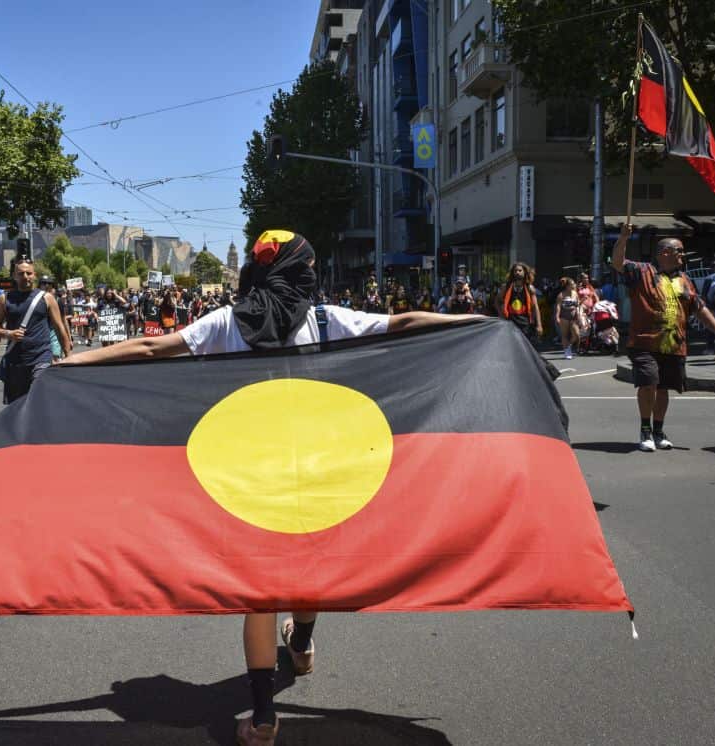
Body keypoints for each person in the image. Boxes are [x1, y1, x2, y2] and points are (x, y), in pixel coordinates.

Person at [59, 230, 484, 746]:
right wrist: (479, 323)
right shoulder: (329, 319)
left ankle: (262, 719)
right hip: (320, 470)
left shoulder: (227, 321)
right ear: (302, 273)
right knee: (307, 572)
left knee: (259, 593)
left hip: (247, 475)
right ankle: (301, 643)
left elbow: (152, 346)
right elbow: (406, 323)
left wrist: (73, 362)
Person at [611, 225, 715, 451]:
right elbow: (618, 262)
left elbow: (699, 308)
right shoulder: (642, 271)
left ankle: (658, 431)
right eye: (680, 251)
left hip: (674, 344)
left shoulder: (684, 280)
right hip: (644, 342)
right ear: (665, 253)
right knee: (649, 383)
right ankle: (645, 431)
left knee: (664, 388)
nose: (683, 256)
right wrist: (623, 239)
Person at [0, 259, 72, 404]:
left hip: (41, 358)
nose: (25, 276)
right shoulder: (5, 299)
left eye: (29, 273)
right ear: (14, 276)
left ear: (34, 275)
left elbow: (59, 327)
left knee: (39, 399)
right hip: (16, 362)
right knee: (17, 408)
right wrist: (8, 333)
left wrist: (68, 356)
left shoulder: (47, 298)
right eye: (21, 274)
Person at [501, 263, 543, 343]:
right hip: (510, 323)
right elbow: (497, 301)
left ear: (525, 272)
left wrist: (539, 325)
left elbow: (535, 307)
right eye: (515, 271)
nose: (517, 272)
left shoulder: (530, 288)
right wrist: (502, 314)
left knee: (524, 348)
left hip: (525, 324)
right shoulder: (506, 287)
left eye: (520, 270)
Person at [554, 277, 582, 359]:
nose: (574, 285)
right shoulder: (561, 295)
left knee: (576, 334)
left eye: (574, 284)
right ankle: (567, 351)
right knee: (564, 334)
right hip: (564, 316)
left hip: (573, 316)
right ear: (567, 286)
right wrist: (557, 316)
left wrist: (578, 314)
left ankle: (569, 345)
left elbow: (577, 304)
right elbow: (558, 306)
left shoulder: (575, 293)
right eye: (572, 284)